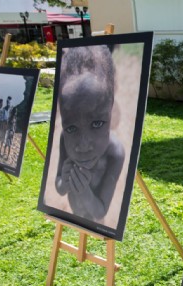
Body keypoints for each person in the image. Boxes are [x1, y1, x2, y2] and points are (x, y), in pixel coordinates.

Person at [54, 45, 124, 222]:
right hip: (75, 217)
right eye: (71, 128)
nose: (83, 145)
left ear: (110, 109)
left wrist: (83, 190)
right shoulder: (64, 138)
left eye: (97, 123)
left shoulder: (114, 152)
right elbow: (60, 187)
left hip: (96, 222)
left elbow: (100, 211)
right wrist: (65, 178)